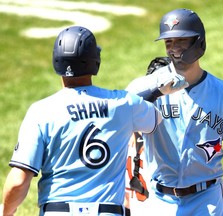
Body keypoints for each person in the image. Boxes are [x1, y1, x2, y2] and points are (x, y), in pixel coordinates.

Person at [0, 26, 188, 216]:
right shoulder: (123, 104)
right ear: (95, 62)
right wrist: (158, 91)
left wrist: (6, 212)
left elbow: (18, 181)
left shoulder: (41, 111)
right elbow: (154, 120)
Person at [126, 9, 223, 215]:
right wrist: (156, 92)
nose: (174, 49)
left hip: (206, 201)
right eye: (169, 42)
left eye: (181, 41)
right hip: (159, 201)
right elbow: (117, 117)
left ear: (198, 43)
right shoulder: (144, 87)